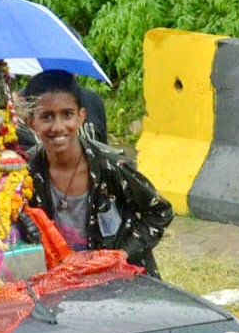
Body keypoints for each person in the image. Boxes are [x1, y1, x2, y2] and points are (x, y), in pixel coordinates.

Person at [22, 70, 173, 277]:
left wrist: (123, 253)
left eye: (67, 114)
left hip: (120, 282)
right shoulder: (24, 171)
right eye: (47, 117)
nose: (58, 127)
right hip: (60, 283)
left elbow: (160, 211)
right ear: (31, 123)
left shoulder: (110, 165)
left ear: (80, 117)